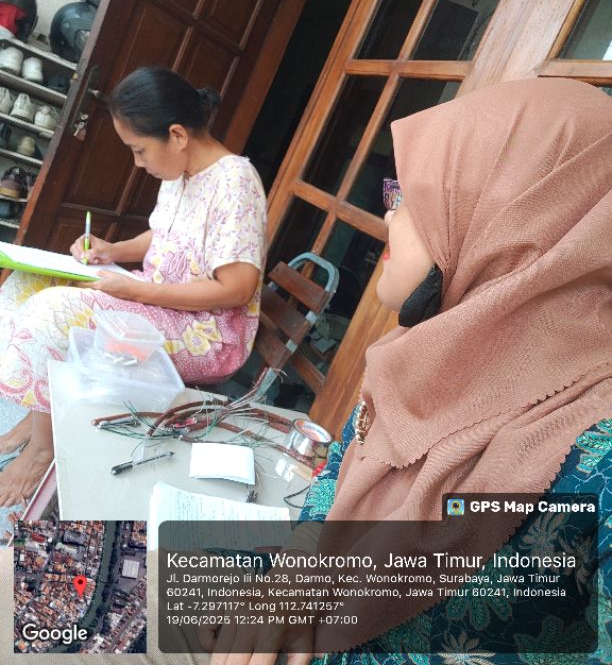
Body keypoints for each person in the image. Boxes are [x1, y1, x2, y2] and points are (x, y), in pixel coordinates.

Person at [211, 78, 611, 664]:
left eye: (415, 195)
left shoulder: (597, 457)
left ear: (515, 225)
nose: (388, 212)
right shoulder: (414, 360)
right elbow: (334, 486)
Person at [0, 66, 267, 507]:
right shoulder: (181, 174)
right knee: (26, 284)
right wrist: (112, 250)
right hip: (159, 297)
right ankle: (40, 411)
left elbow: (236, 288)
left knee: (54, 312)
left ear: (177, 135)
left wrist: (136, 292)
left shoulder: (235, 182)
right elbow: (162, 235)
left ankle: (42, 448)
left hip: (205, 332)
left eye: (139, 150)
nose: (138, 163)